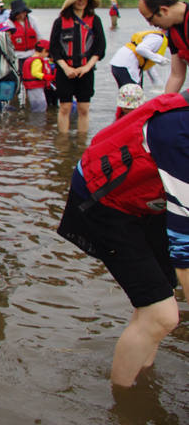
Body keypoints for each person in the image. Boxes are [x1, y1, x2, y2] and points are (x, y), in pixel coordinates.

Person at [57, 90, 189, 387]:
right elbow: (185, 251)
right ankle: (124, 403)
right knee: (162, 315)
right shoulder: (180, 136)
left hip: (150, 199)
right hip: (103, 200)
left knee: (160, 295)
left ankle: (144, 376)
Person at [49, 0, 106, 134]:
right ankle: (63, 141)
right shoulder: (60, 21)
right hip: (64, 70)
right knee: (65, 107)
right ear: (71, 1)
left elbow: (100, 47)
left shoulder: (95, 20)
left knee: (84, 108)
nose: (81, 2)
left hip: (86, 70)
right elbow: (54, 48)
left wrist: (87, 67)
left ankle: (82, 142)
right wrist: (66, 68)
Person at [137, 0, 189, 94]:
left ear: (164, 10)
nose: (151, 24)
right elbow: (177, 75)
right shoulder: (173, 30)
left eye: (150, 19)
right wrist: (164, 105)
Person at [0, 0, 39, 71]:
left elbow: (39, 37)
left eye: (23, 12)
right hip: (17, 56)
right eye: (18, 13)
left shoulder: (32, 20)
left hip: (32, 54)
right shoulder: (8, 23)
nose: (21, 15)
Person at [22, 40, 54, 112]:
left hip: (32, 87)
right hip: (35, 87)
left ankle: (36, 121)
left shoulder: (30, 59)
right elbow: (35, 73)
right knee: (41, 105)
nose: (48, 56)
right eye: (48, 53)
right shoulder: (37, 60)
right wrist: (47, 77)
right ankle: (38, 122)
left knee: (37, 105)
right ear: (44, 50)